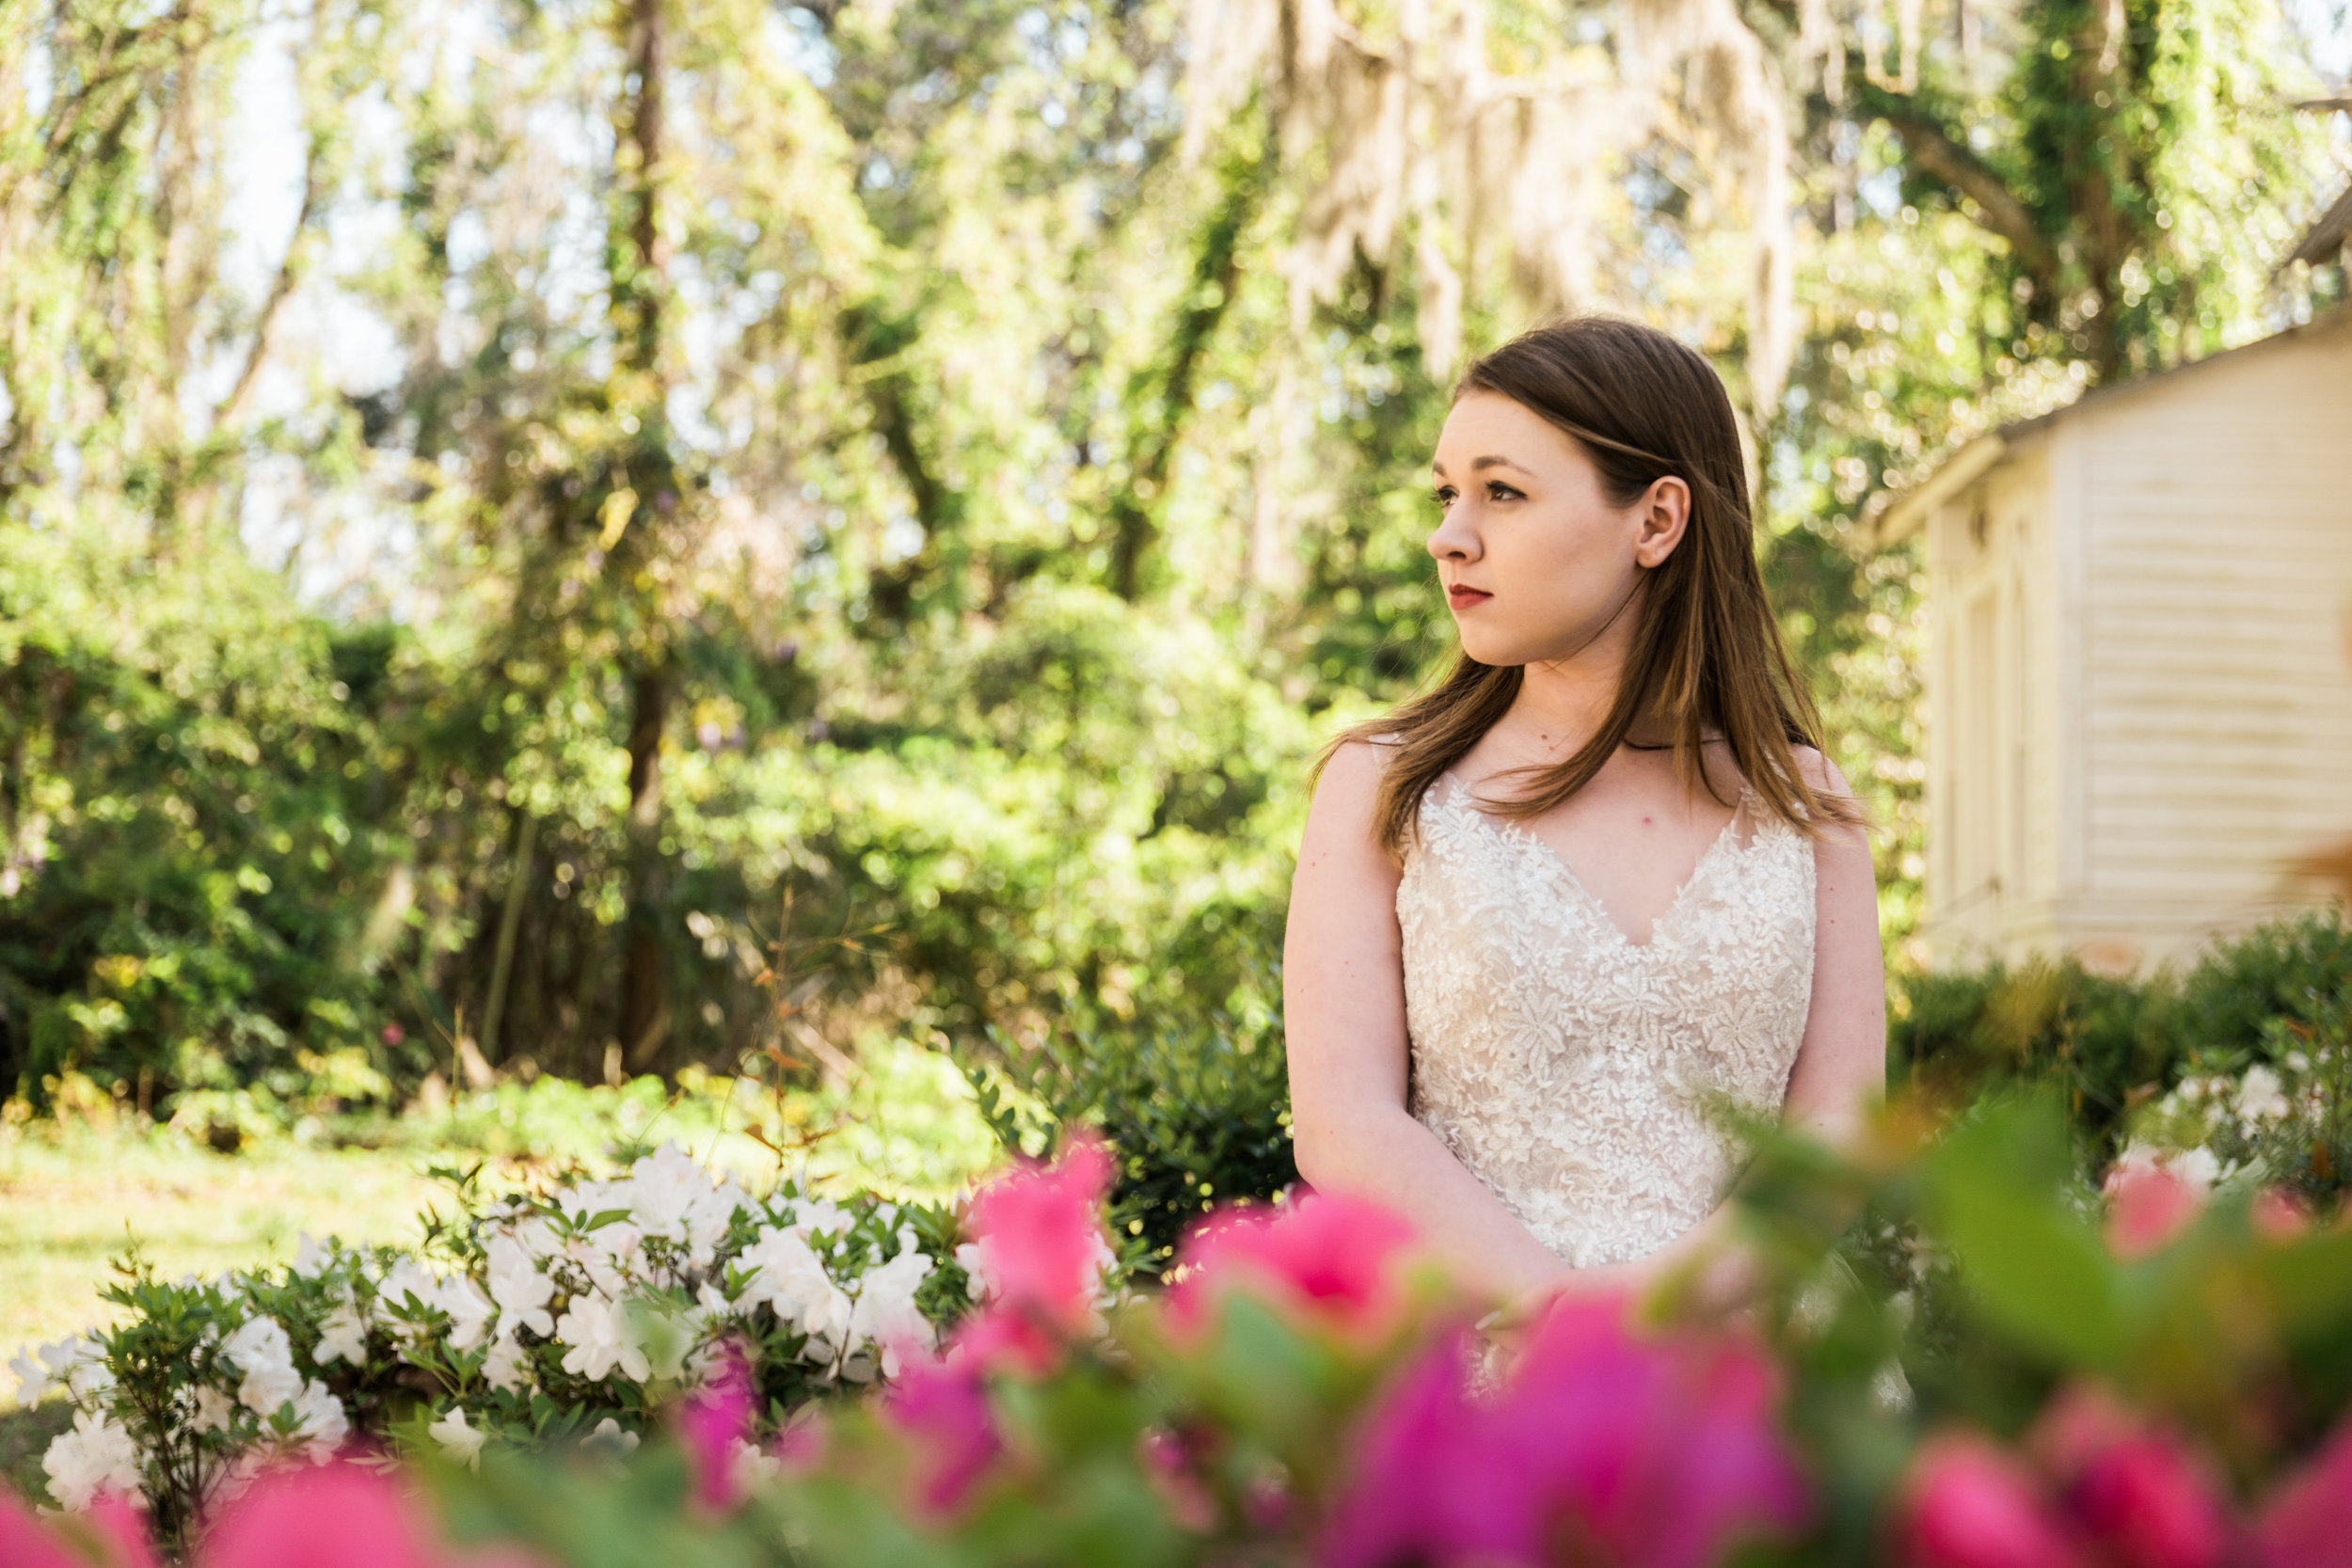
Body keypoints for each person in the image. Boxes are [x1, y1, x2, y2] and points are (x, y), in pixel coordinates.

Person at [1282, 316, 1886, 1324]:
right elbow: (1344, 1123)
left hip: (1764, 1364)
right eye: (1445, 492)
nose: (1448, 534)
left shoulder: (1809, 805)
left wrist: (1671, 1309)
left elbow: (1837, 1132)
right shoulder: (1382, 786)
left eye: (1501, 491)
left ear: (1656, 520)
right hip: (1483, 1354)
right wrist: (1563, 1315)